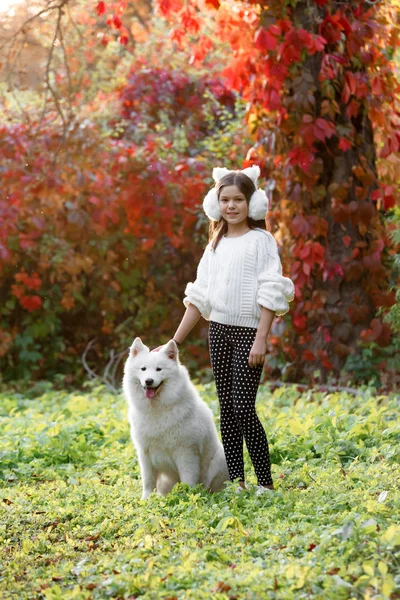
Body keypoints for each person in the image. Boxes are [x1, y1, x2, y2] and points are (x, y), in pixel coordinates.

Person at [171, 165, 295, 493]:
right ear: (216, 203)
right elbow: (199, 296)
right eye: (225, 199)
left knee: (243, 406)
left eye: (238, 199)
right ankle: (238, 482)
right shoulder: (216, 243)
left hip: (248, 335)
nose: (231, 206)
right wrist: (174, 342)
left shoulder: (261, 241)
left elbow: (270, 288)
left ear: (252, 204)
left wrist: (261, 338)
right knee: (227, 408)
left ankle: (266, 484)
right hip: (220, 332)